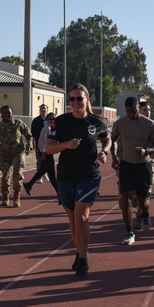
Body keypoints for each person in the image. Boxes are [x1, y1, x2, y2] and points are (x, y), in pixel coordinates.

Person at [46, 84, 110, 276]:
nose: (75, 103)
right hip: (65, 176)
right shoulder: (60, 122)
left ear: (87, 100)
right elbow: (49, 148)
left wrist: (104, 151)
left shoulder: (96, 121)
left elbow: (107, 138)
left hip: (89, 175)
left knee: (82, 217)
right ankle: (79, 251)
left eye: (79, 99)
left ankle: (83, 259)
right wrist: (67, 144)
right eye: (72, 99)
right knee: (73, 220)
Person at [111, 96, 154, 245]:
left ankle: (145, 215)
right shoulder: (120, 124)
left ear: (138, 108)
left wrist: (146, 151)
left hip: (143, 165)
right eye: (128, 111)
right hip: (126, 164)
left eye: (133, 111)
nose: (131, 114)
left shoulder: (149, 124)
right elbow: (111, 140)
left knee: (142, 199)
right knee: (124, 198)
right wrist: (113, 158)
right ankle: (129, 232)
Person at [0, 105, 32, 207]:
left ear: (12, 113)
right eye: (4, 113)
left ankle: (16, 197)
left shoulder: (18, 124)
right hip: (4, 154)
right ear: (1, 114)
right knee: (5, 175)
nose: (6, 115)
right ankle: (5, 198)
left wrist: (29, 146)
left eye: (8, 113)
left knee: (17, 174)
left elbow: (28, 135)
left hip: (18, 152)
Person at [23, 112, 57, 195]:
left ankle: (29, 184)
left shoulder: (52, 128)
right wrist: (43, 152)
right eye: (50, 119)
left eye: (54, 119)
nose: (52, 120)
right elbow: (41, 142)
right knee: (51, 174)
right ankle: (59, 192)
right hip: (46, 153)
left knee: (42, 170)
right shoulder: (46, 128)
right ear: (47, 119)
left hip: (49, 152)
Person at [30, 104, 49, 183]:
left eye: (44, 108)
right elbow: (32, 133)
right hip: (39, 143)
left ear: (47, 109)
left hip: (49, 143)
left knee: (48, 159)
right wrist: (33, 143)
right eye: (41, 108)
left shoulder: (50, 119)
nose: (43, 109)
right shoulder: (36, 120)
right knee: (39, 159)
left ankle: (45, 173)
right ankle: (39, 176)